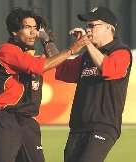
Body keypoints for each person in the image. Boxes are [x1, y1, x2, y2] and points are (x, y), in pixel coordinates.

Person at [0, 8, 88, 162]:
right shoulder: (7, 50)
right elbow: (38, 66)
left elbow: (55, 63)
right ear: (15, 31)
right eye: (28, 28)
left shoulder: (32, 55)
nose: (33, 32)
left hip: (29, 121)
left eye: (35, 28)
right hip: (6, 119)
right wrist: (72, 49)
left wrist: (46, 38)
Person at [55, 6, 132, 162]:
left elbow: (109, 69)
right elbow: (62, 69)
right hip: (78, 127)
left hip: (103, 126)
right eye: (86, 26)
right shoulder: (86, 57)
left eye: (92, 26)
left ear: (108, 27)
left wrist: (87, 44)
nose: (87, 30)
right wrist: (46, 41)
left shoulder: (121, 51)